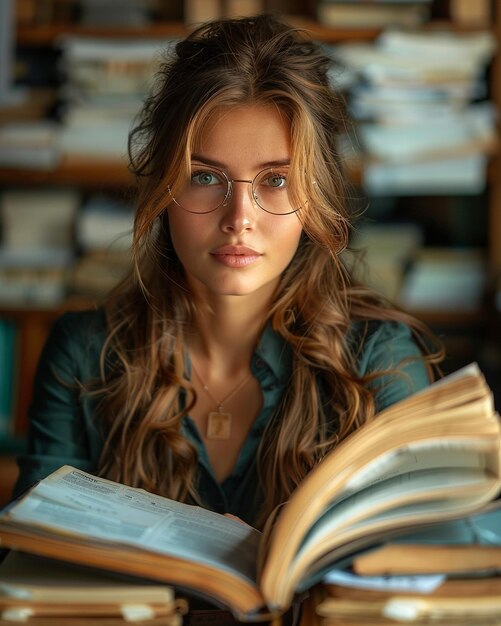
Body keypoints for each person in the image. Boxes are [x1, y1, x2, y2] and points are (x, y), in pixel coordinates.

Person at [14, 14, 442, 534]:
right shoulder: (82, 355)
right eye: (205, 176)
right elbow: (39, 567)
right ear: (164, 187)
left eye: (276, 179)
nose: (239, 217)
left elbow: (414, 575)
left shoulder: (380, 362)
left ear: (316, 196)